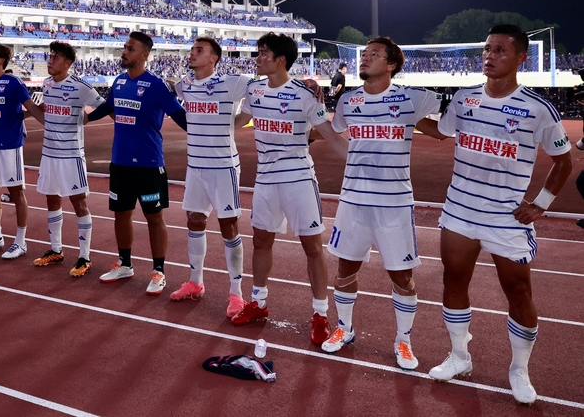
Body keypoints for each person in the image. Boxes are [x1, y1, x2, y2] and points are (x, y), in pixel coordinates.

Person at [428, 25, 573, 404]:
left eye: (500, 50)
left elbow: (563, 162)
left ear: (521, 58)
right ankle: (459, 356)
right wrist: (393, 111)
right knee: (454, 282)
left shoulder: (538, 108)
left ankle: (519, 369)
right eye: (487, 49)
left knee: (519, 291)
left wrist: (540, 204)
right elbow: (441, 131)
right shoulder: (464, 99)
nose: (489, 56)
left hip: (504, 217)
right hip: (459, 211)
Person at [320, 37, 445, 371]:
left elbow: (444, 123)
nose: (365, 58)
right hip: (353, 199)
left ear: (391, 64)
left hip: (394, 202)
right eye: (364, 54)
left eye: (374, 54)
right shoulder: (349, 100)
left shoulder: (411, 98)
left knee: (402, 275)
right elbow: (331, 132)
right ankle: (344, 329)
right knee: (346, 268)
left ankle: (403, 340)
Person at [229, 33, 348, 347]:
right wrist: (209, 122)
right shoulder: (254, 89)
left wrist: (366, 163)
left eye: (263, 53)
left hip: (297, 177)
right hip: (265, 178)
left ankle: (321, 315)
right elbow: (238, 120)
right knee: (261, 242)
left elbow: (332, 137)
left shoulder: (305, 94)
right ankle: (259, 303)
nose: (258, 58)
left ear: (280, 59)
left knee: (312, 247)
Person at [88, 31, 187, 294]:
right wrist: (83, 119)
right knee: (121, 214)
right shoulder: (119, 81)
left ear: (144, 55)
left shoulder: (157, 85)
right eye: (124, 47)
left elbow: (180, 115)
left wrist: (204, 134)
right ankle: (125, 263)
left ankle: (158, 271)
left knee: (154, 218)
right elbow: (107, 107)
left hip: (149, 162)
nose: (124, 52)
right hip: (120, 161)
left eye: (130, 49)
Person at [167, 37, 250, 315]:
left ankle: (236, 293)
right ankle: (195, 281)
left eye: (199, 50)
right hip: (195, 166)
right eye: (192, 49)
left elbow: (264, 88)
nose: (192, 54)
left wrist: (237, 122)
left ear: (214, 58)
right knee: (194, 220)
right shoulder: (185, 85)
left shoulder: (232, 83)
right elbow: (171, 88)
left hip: (223, 166)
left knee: (229, 226)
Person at [31, 41, 105, 277]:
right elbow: (45, 112)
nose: (50, 61)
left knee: (79, 204)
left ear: (68, 63)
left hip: (71, 156)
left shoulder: (80, 87)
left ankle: (85, 256)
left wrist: (87, 119)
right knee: (52, 201)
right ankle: (56, 250)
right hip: (49, 154)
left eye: (55, 57)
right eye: (49, 56)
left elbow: (103, 107)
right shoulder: (47, 84)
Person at [0, 42, 45, 258]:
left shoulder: (13, 82)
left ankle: (21, 242)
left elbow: (30, 107)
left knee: (16, 192)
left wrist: (49, 123)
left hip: (11, 146)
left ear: (1, 60)